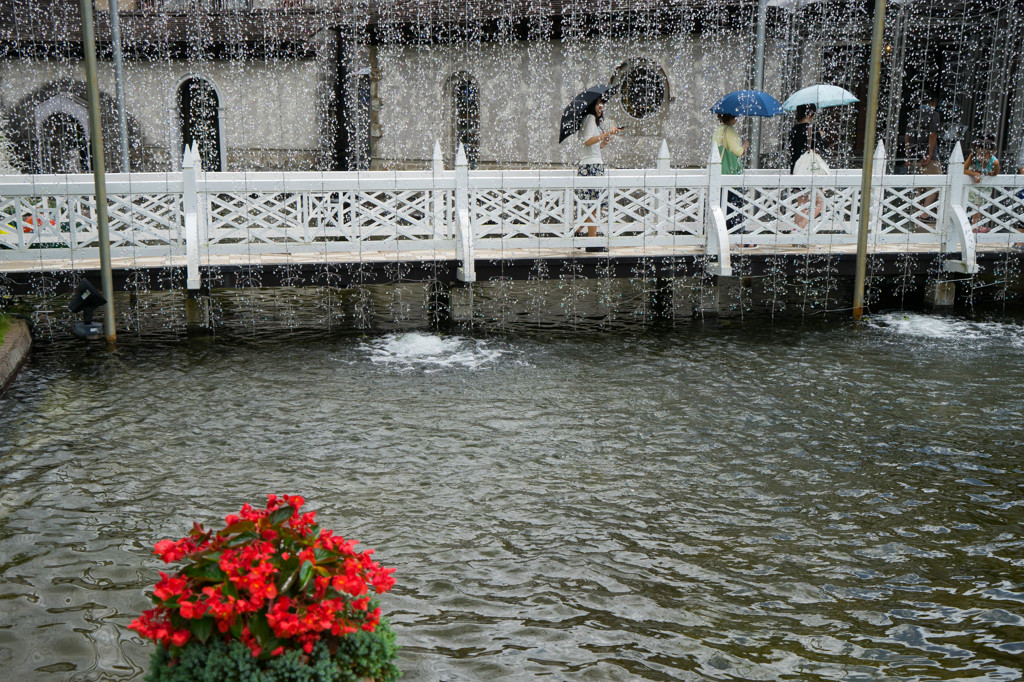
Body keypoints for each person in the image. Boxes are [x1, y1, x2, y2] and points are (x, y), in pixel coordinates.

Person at [576, 97, 622, 252]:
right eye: (596, 103)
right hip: (591, 166)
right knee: (593, 204)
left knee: (595, 204)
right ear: (591, 106)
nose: (600, 106)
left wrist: (604, 141)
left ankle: (577, 232)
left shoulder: (593, 121)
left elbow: (593, 147)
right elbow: (587, 141)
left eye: (602, 103)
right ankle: (592, 242)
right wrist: (606, 133)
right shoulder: (589, 118)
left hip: (593, 164)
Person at [904, 92, 942, 221]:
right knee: (935, 184)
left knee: (917, 186)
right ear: (933, 103)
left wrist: (908, 155)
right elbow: (933, 134)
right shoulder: (934, 114)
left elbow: (907, 136)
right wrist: (930, 154)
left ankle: (915, 212)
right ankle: (925, 214)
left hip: (915, 155)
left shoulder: (914, 114)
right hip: (929, 157)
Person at [789, 103, 826, 229]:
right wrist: (820, 136)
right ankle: (800, 228)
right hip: (811, 171)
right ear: (810, 113)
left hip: (797, 170)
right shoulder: (812, 129)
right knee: (820, 202)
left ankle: (798, 236)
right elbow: (821, 150)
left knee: (802, 203)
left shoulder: (794, 129)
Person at [713, 113, 748, 232]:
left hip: (719, 172)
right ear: (731, 118)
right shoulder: (729, 130)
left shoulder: (719, 130)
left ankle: (718, 231)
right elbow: (737, 151)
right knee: (734, 204)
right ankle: (736, 234)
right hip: (730, 173)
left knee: (720, 204)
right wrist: (744, 146)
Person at [963, 138, 1000, 233]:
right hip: (972, 182)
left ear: (990, 153)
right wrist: (975, 174)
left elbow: (995, 173)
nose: (980, 156)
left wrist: (984, 176)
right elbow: (963, 170)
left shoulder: (994, 162)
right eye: (979, 153)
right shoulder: (973, 156)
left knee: (979, 204)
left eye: (984, 154)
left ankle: (976, 225)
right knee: (976, 204)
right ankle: (976, 225)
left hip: (984, 185)